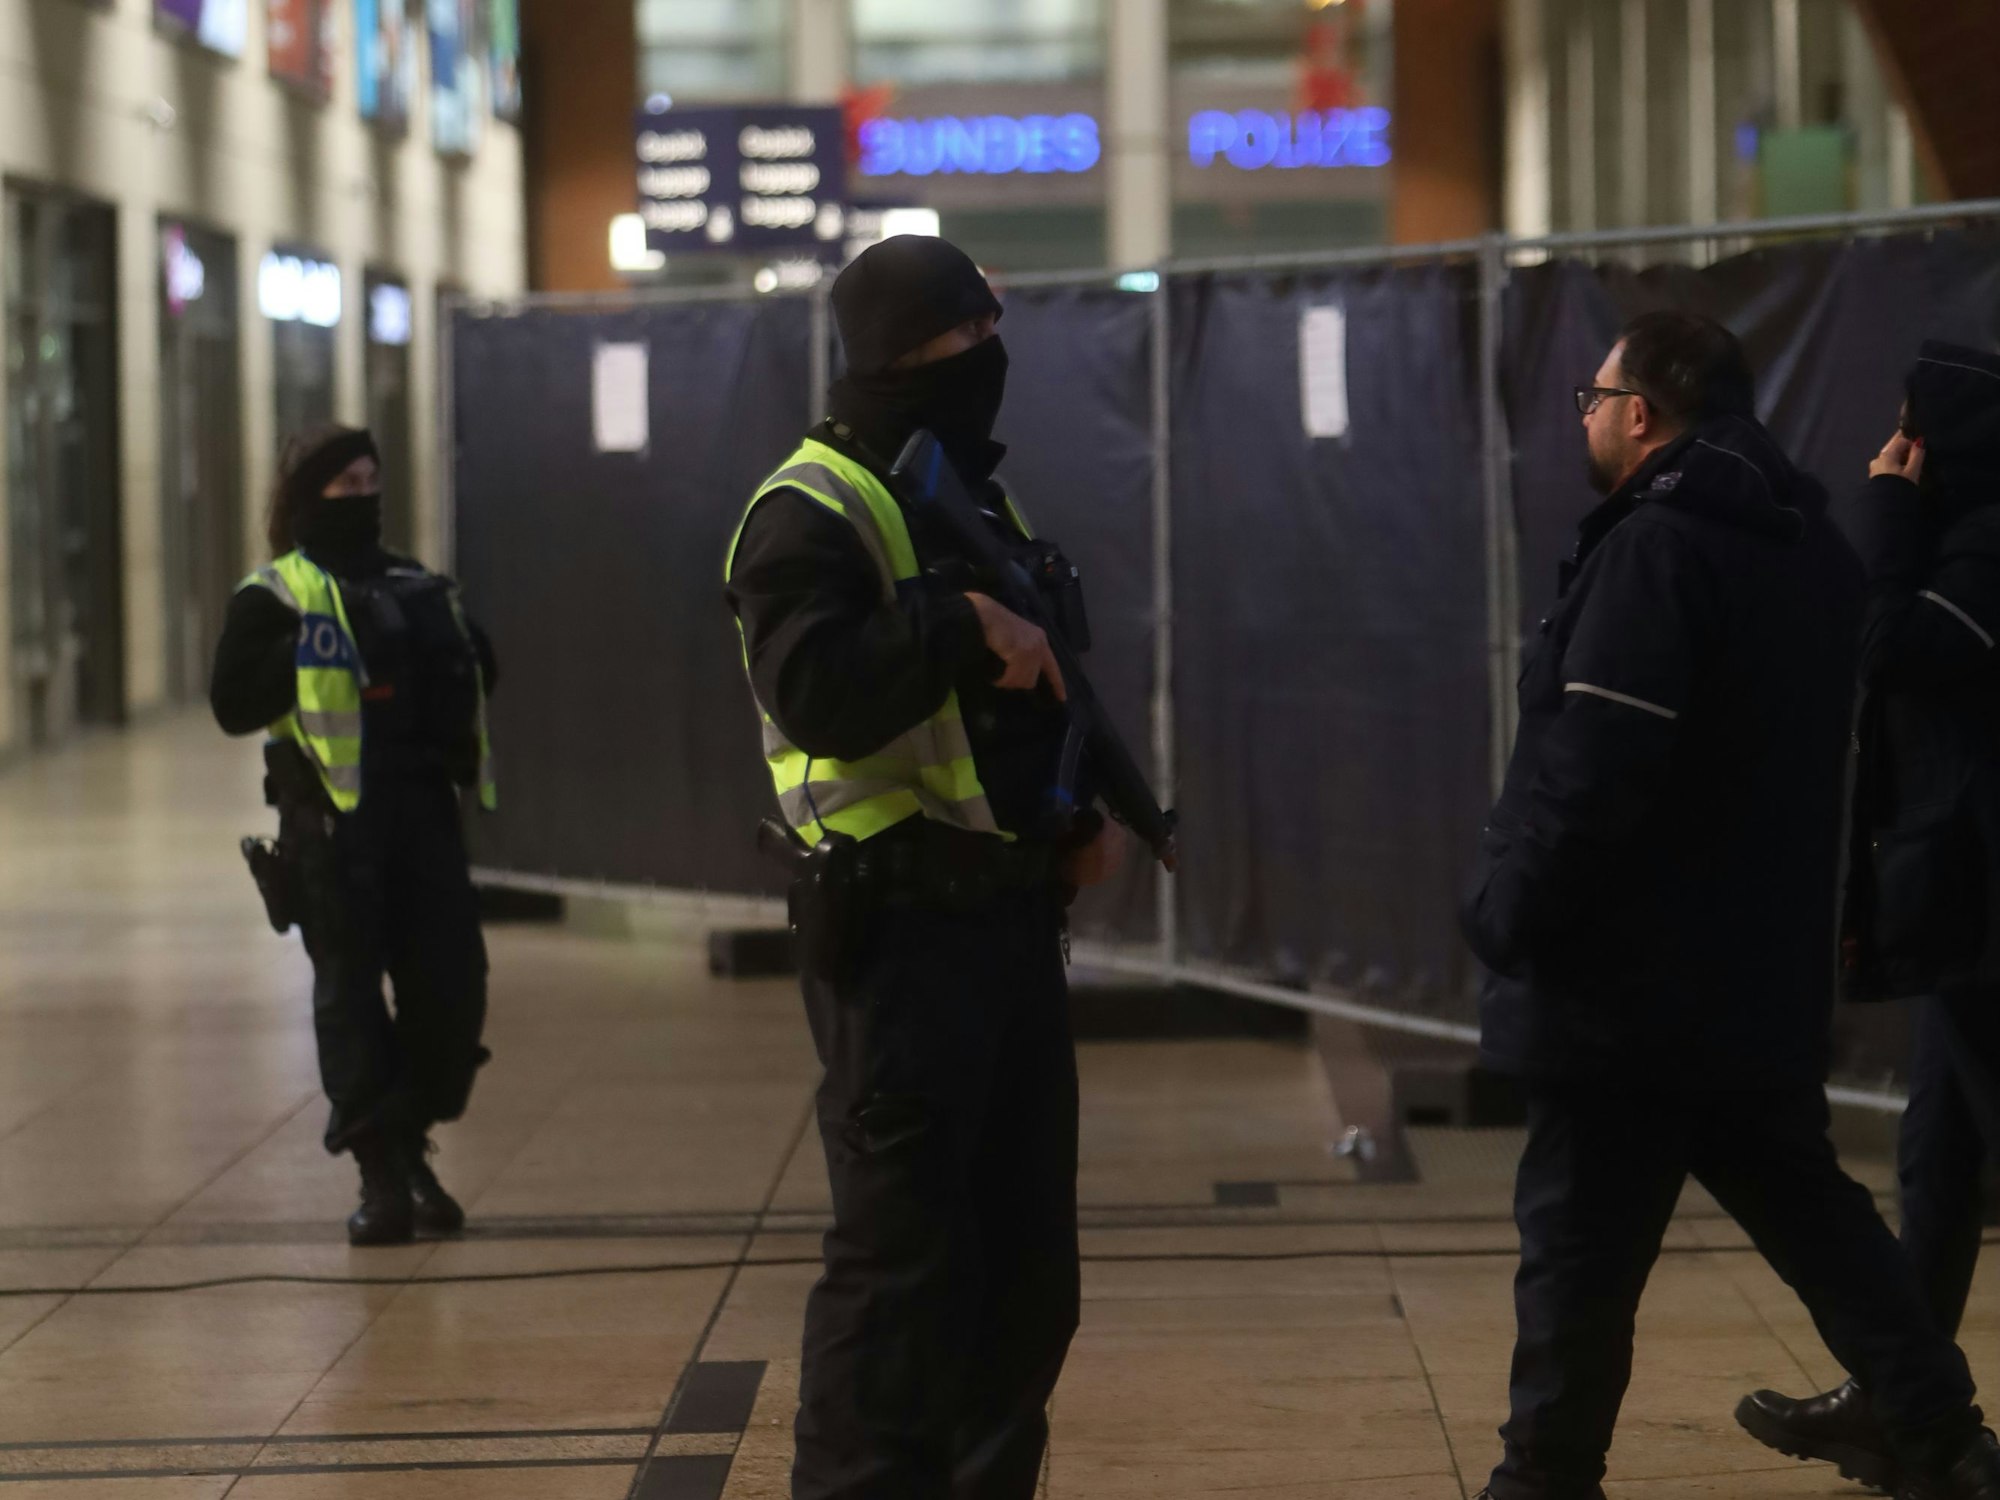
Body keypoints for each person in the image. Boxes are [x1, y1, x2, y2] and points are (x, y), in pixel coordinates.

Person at [1459, 312, 2000, 1500]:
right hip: (1748, 977)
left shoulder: (1655, 549)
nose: (1587, 420)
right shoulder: (1806, 543)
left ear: (1640, 412)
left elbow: (1592, 762)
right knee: (1817, 1218)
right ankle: (1943, 1439)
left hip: (1620, 988)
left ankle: (1538, 1481)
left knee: (1575, 1259)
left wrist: (1504, 909)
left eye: (1593, 400)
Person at [723, 234, 1125, 1500]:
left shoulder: (963, 490)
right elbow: (819, 692)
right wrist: (954, 622)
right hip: (895, 939)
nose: (988, 358)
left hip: (1005, 927)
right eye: (970, 335)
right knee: (899, 1277)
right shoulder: (810, 506)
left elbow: (1016, 700)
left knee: (1022, 1281)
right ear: (907, 352)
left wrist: (1072, 817)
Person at [1738, 341, 2000, 1493]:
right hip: (1971, 900)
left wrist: (1887, 511)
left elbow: (1886, 642)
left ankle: (1907, 1404)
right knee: (1934, 1161)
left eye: (1908, 431)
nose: (1890, 448)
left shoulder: (1985, 548)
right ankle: (1902, 1401)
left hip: (1993, 904)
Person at [211, 424, 496, 1247]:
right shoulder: (275, 594)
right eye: (345, 484)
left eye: (373, 479)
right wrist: (305, 653)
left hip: (423, 817)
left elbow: (479, 672)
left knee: (452, 993)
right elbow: (232, 703)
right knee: (349, 1003)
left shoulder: (417, 584)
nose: (363, 497)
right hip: (330, 826)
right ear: (307, 496)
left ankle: (408, 1134)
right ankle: (384, 1170)